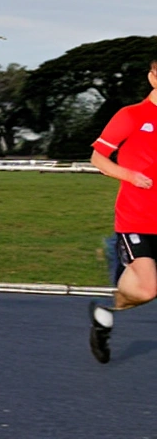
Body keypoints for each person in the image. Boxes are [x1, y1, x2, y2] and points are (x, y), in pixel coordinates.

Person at [89, 60, 157, 364]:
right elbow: (98, 158)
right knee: (146, 290)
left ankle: (106, 313)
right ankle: (118, 279)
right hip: (137, 218)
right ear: (152, 77)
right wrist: (130, 176)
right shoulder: (131, 115)